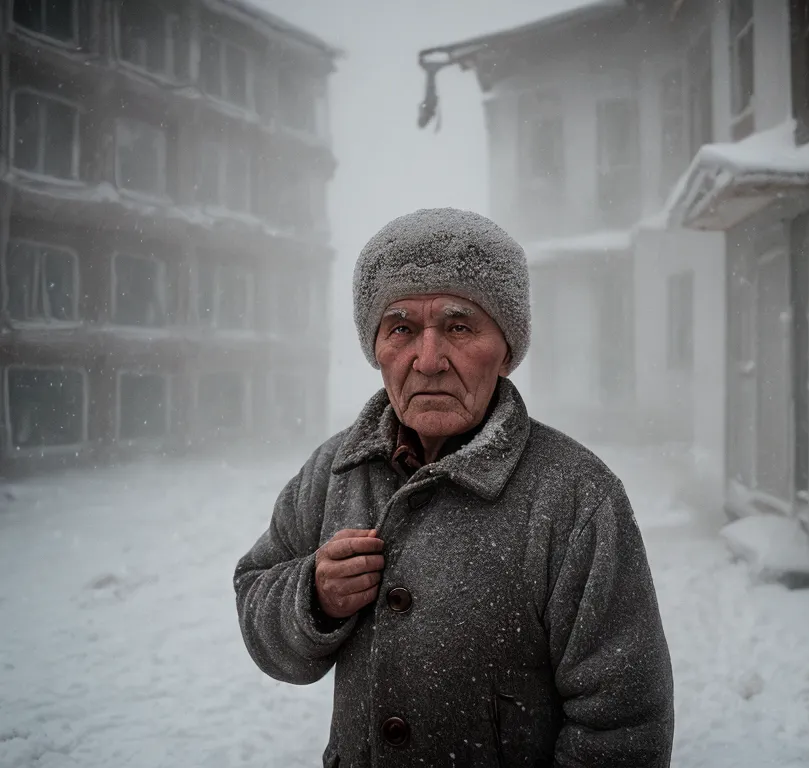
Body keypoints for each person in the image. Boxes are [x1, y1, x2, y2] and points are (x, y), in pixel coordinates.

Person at [234, 208, 674, 767]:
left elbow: (623, 724)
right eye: (401, 328)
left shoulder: (576, 497)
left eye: (460, 326)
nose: (428, 359)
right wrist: (314, 598)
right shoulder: (335, 470)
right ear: (376, 349)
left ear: (508, 349)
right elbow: (257, 600)